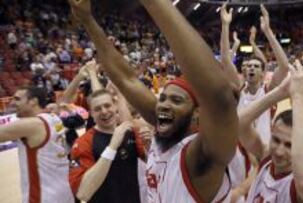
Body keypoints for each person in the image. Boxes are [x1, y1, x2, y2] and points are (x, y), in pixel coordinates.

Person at [68, 0, 260, 202]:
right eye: (164, 98)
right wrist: (87, 20)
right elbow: (126, 79)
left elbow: (220, 100)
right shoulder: (166, 132)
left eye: (177, 100)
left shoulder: (202, 156)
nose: (165, 104)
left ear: (197, 113)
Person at [246, 56, 303, 203]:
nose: (278, 151)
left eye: (289, 145)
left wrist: (300, 97)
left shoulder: (298, 186)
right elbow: (239, 125)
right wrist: (280, 91)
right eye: (276, 140)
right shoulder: (266, 158)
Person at [220, 4, 289, 145]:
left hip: (263, 150)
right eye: (249, 66)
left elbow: (284, 66)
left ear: (263, 72)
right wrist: (225, 25)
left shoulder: (268, 91)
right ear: (244, 71)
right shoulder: (238, 88)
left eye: (256, 66)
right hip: (238, 151)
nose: (251, 68)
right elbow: (226, 60)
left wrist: (268, 31)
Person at [68, 89, 146, 203]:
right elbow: (82, 193)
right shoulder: (83, 143)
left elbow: (150, 162)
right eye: (97, 109)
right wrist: (112, 146)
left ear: (115, 106)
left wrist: (149, 147)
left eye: (107, 105)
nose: (104, 111)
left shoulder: (129, 132)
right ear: (91, 114)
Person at [0, 86, 74, 203]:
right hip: (64, 192)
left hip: (42, 197)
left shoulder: (32, 124)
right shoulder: (53, 117)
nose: (13, 103)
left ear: (33, 101)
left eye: (18, 99)